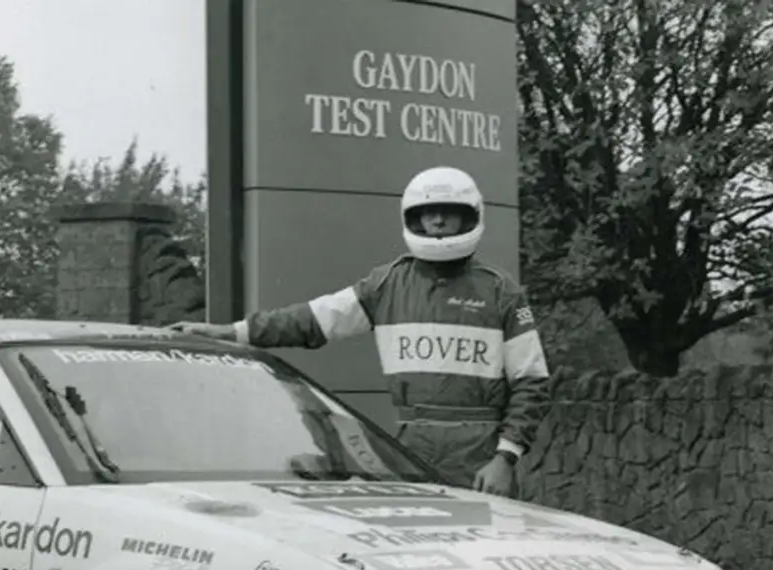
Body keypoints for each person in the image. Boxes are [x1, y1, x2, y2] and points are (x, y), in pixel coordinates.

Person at [169, 166, 550, 498]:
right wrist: (230, 332)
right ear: (413, 218)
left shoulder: (502, 291)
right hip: (411, 448)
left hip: (480, 455)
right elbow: (313, 320)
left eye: (447, 214)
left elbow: (531, 382)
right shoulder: (386, 284)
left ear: (469, 217)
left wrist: (505, 458)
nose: (436, 222)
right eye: (428, 213)